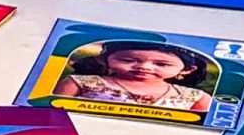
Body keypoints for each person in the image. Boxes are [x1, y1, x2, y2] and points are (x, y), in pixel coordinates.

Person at [53, 41, 211, 115]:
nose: (144, 67)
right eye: (128, 60)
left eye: (161, 64)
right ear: (104, 60)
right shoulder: (78, 83)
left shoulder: (196, 98)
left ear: (187, 70)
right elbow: (52, 114)